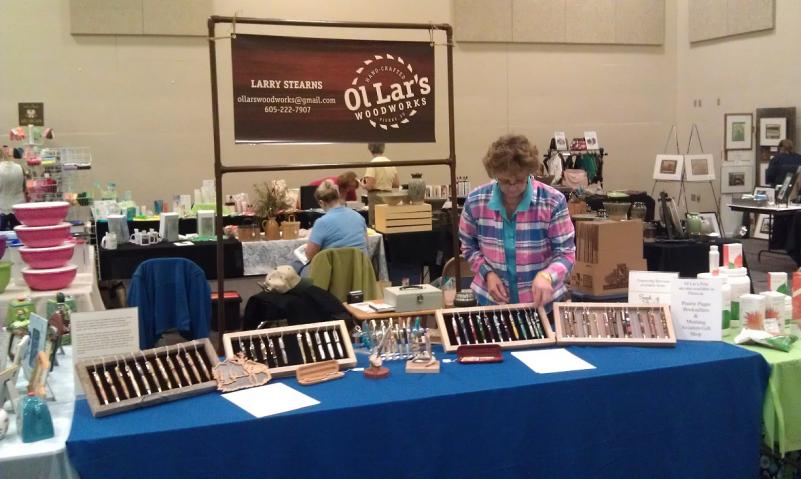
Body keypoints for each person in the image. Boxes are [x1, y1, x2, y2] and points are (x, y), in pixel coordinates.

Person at [459, 134, 576, 307]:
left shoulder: (552, 201)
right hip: (492, 302)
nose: (512, 187)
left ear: (529, 172)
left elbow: (566, 253)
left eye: (520, 180)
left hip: (542, 304)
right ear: (495, 174)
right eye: (505, 181)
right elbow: (468, 246)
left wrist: (548, 276)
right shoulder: (475, 201)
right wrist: (487, 273)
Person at [305, 180, 368, 263]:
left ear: (321, 203)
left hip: (334, 269)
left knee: (297, 265)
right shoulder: (359, 217)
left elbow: (310, 255)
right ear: (338, 197)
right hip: (360, 267)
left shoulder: (321, 223)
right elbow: (366, 243)